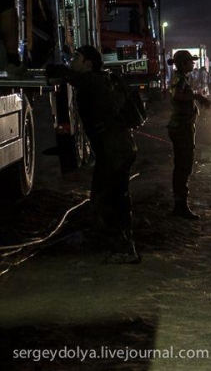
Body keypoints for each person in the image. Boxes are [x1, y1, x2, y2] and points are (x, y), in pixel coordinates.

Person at [46, 46, 139, 264]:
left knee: (104, 199)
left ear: (88, 64)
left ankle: (123, 248)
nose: (72, 61)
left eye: (77, 58)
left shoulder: (92, 80)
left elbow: (69, 75)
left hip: (114, 150)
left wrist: (52, 68)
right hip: (120, 148)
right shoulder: (102, 80)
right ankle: (124, 245)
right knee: (118, 198)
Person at [167, 49, 211, 219]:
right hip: (181, 128)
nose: (193, 64)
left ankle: (181, 204)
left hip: (182, 127)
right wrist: (197, 98)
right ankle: (180, 206)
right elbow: (177, 95)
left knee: (183, 165)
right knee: (183, 166)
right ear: (183, 64)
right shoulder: (179, 80)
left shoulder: (182, 78)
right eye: (190, 62)